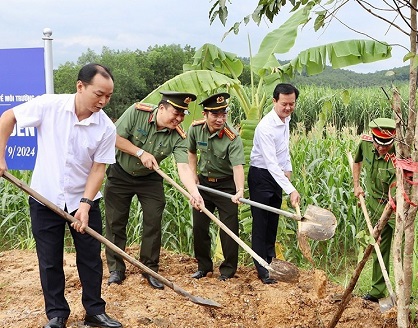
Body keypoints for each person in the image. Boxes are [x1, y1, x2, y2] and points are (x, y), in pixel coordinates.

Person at [0, 63, 122, 328]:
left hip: (85, 201)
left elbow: (98, 169)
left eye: (108, 96)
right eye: (98, 94)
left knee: (90, 257)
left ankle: (94, 310)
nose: (103, 101)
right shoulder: (49, 106)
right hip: (45, 198)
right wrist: (0, 154)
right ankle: (56, 314)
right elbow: (8, 117)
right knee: (50, 259)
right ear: (80, 86)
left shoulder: (105, 127)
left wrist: (86, 204)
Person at [104, 91, 203, 290]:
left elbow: (183, 167)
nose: (179, 118)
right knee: (115, 221)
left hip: (149, 178)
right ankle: (116, 269)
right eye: (176, 113)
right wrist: (140, 152)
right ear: (162, 107)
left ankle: (149, 268)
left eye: (183, 114)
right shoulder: (137, 112)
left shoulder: (179, 135)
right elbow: (114, 137)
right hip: (120, 172)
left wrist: (194, 192)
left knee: (153, 219)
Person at [188, 92, 245, 281]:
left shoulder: (232, 137)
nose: (220, 119)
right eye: (215, 115)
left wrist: (239, 191)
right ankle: (203, 267)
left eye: (224, 114)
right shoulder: (195, 129)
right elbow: (191, 153)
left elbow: (237, 167)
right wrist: (193, 176)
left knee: (229, 229)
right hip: (204, 185)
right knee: (200, 227)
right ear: (205, 114)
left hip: (226, 186)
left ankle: (228, 270)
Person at [248, 83, 301, 284]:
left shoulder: (285, 120)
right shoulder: (265, 127)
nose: (288, 108)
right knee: (261, 222)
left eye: (292, 104)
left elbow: (283, 150)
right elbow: (270, 162)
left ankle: (270, 260)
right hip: (261, 175)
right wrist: (291, 189)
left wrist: (288, 170)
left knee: (273, 220)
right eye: (284, 104)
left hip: (277, 174)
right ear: (274, 101)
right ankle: (262, 268)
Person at [352, 117, 397, 303]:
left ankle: (403, 291)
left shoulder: (400, 155)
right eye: (379, 144)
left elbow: (402, 186)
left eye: (386, 145)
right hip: (374, 204)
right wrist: (356, 185)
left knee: (400, 251)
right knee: (379, 246)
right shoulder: (365, 143)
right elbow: (357, 162)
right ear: (373, 138)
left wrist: (393, 203)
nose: (382, 148)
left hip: (397, 208)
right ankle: (378, 290)